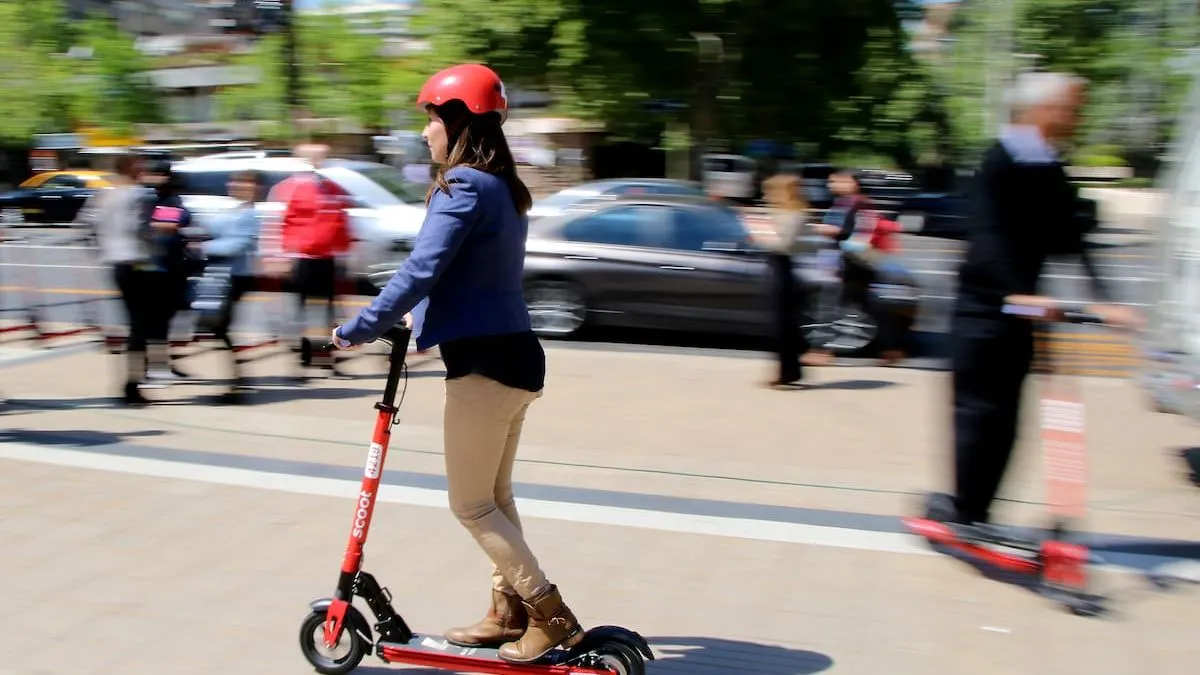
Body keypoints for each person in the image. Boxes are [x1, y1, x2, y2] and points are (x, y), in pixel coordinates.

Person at [330, 64, 580, 664]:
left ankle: (551, 616)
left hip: (485, 366)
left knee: (470, 504)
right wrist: (419, 319)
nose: (425, 133)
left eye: (432, 119)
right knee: (495, 496)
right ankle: (507, 611)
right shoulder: (505, 188)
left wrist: (358, 329)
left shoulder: (462, 185)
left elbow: (422, 268)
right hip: (518, 358)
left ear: (459, 121)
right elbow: (468, 272)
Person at [929, 72, 1141, 527]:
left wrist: (1105, 300)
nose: (1076, 117)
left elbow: (1072, 239)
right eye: (1070, 108)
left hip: (1019, 316)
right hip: (983, 311)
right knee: (979, 415)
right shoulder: (1000, 159)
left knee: (1006, 421)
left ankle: (978, 512)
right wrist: (1017, 291)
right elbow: (988, 235)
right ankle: (966, 511)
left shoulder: (1048, 165)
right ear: (1040, 109)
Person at [810, 169, 906, 365]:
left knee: (830, 304)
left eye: (837, 181)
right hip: (852, 262)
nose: (832, 185)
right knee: (866, 305)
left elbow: (847, 232)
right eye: (831, 182)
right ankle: (892, 348)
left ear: (853, 183)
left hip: (852, 263)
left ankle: (821, 351)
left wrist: (822, 229)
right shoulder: (846, 202)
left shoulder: (858, 203)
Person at [89, 153, 157, 405]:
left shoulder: (104, 195)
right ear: (130, 167)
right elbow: (140, 227)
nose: (145, 169)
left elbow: (89, 226)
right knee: (141, 325)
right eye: (141, 164)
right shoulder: (141, 194)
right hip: (138, 261)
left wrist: (103, 250)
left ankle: (133, 379)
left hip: (116, 263)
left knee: (135, 321)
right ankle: (132, 383)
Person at [279, 143, 352, 374]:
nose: (317, 162)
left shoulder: (333, 188)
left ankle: (327, 357)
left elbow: (341, 221)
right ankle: (302, 358)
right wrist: (284, 255)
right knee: (301, 313)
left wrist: (344, 253)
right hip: (302, 258)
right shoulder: (292, 187)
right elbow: (284, 222)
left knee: (329, 313)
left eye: (321, 158)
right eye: (313, 158)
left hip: (327, 259)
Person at [198, 170, 264, 404]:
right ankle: (237, 379)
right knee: (217, 328)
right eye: (235, 181)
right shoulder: (235, 210)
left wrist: (202, 248)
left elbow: (237, 245)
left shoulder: (251, 214)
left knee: (219, 327)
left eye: (244, 182)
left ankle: (237, 382)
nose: (236, 185)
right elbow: (211, 230)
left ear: (256, 188)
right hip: (222, 276)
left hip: (237, 277)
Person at [139, 157, 195, 382]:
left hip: (170, 265)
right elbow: (169, 225)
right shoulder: (147, 197)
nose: (154, 178)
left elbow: (174, 223)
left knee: (165, 317)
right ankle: (152, 365)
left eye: (159, 174)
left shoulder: (169, 197)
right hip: (152, 266)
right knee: (154, 319)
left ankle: (159, 363)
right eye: (151, 174)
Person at [758, 173, 813, 388]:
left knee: (782, 325)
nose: (766, 196)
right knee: (783, 323)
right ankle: (790, 371)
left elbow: (785, 245)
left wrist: (761, 236)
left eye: (769, 191)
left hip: (783, 268)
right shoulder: (778, 213)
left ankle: (788, 371)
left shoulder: (794, 215)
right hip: (775, 266)